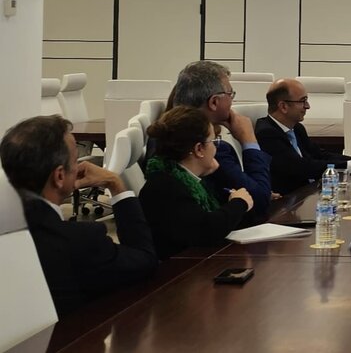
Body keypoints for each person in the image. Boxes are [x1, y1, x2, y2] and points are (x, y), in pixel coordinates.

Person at [0, 115, 157, 316]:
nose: (79, 167)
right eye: (76, 161)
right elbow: (145, 261)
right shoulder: (81, 241)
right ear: (59, 176)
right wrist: (115, 183)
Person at [139, 107, 254, 259]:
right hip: (176, 274)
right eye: (214, 141)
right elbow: (206, 230)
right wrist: (239, 203)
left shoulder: (181, 176)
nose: (215, 148)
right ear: (199, 149)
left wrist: (210, 172)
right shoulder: (165, 187)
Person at [168, 60, 271, 217]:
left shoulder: (167, 135)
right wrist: (249, 140)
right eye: (230, 94)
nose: (232, 100)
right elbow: (259, 202)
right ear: (214, 102)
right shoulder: (208, 149)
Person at [255, 78, 351, 194]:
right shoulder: (266, 133)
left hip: (308, 192)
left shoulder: (296, 128)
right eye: (303, 101)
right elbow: (301, 168)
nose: (308, 106)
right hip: (286, 202)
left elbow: (319, 155)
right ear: (283, 106)